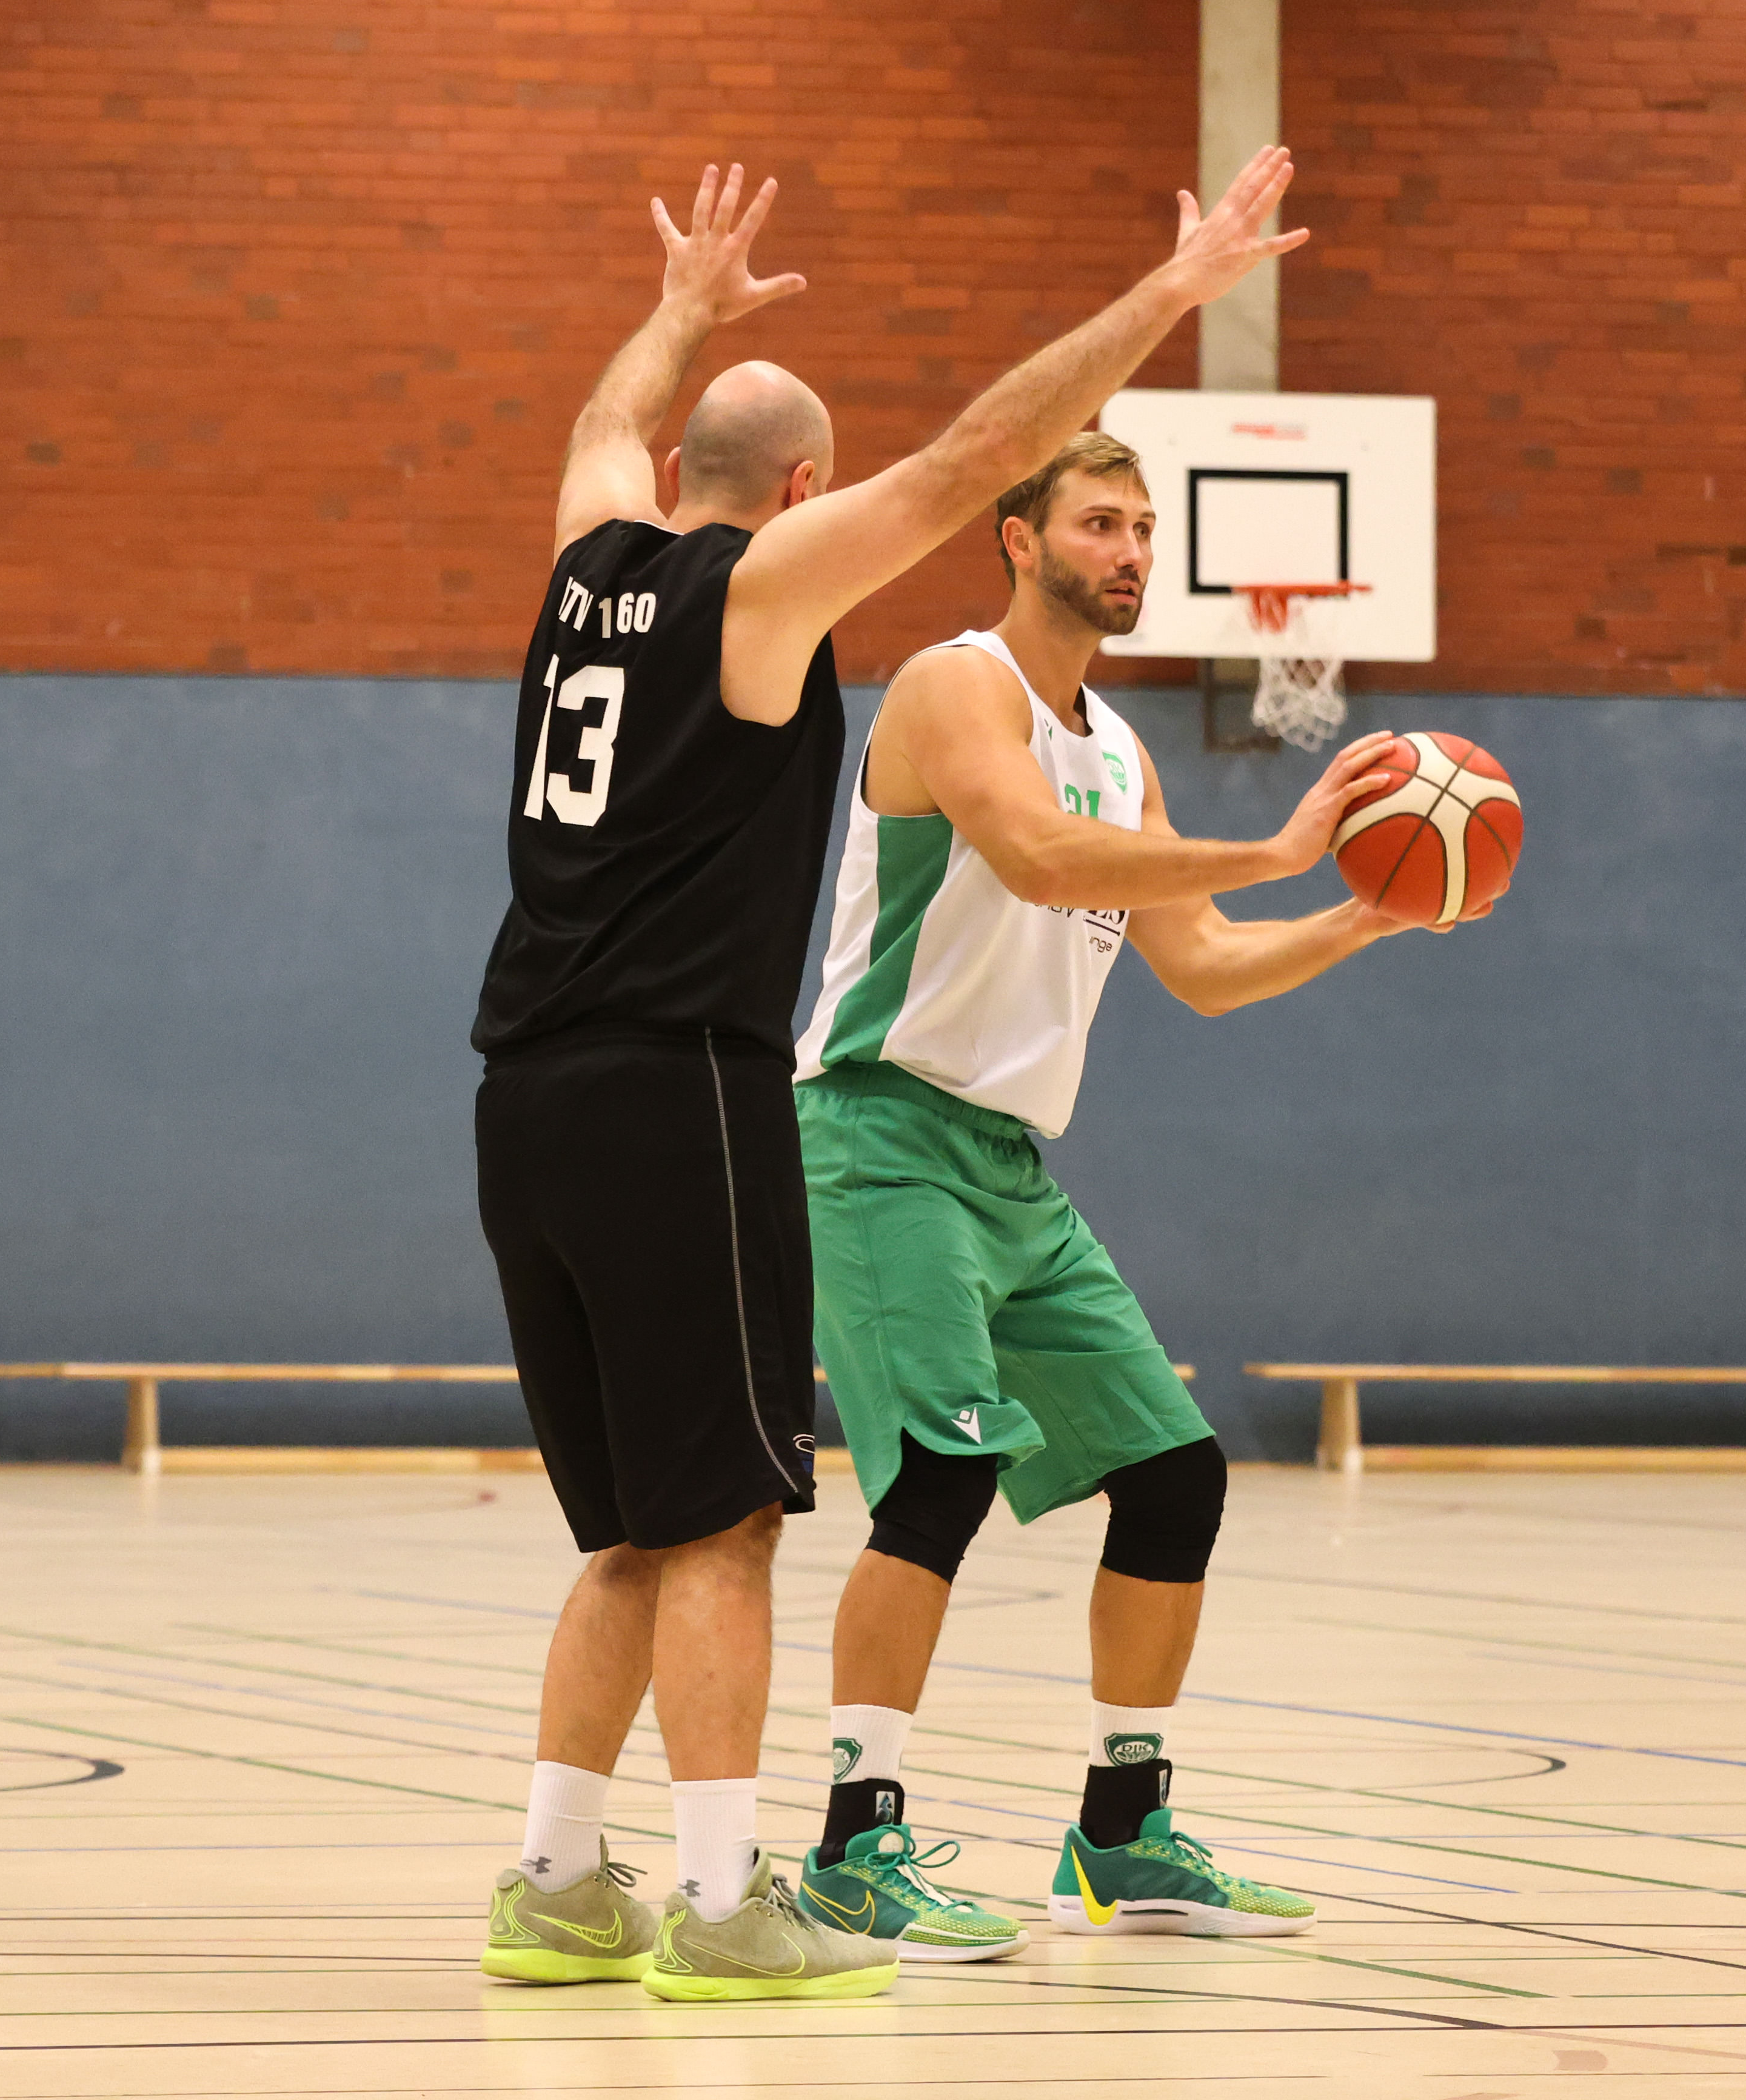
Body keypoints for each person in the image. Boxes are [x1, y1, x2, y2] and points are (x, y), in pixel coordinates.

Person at [472, 150, 1311, 1998]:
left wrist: (675, 315)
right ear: (800, 494)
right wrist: (1169, 298)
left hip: (519, 1091)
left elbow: (604, 423)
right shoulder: (758, 595)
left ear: (679, 467)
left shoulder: (588, 558)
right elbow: (967, 458)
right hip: (683, 1088)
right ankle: (726, 1903)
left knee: (629, 1532)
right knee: (724, 1522)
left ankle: (555, 1879)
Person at [784, 430, 1457, 1952]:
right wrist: (1280, 844)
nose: (1133, 550)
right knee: (940, 1476)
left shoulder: (1122, 754)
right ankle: (850, 1846)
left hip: (1009, 1166)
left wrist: (1360, 915)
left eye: (1146, 527)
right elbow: (1033, 855)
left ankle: (1120, 1833)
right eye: (1100, 522)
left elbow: (1202, 966)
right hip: (878, 1132)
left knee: (1172, 1473)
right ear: (1018, 539)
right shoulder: (955, 685)